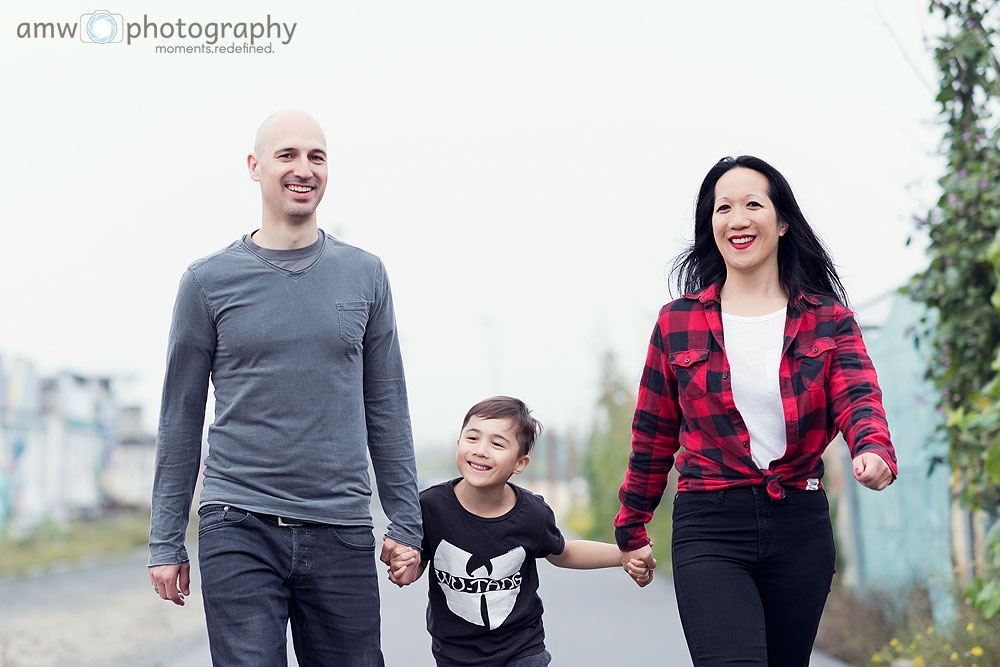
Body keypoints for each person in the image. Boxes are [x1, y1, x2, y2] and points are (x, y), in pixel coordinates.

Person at [147, 109, 423, 667]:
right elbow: (181, 414)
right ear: (255, 167)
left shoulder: (365, 274)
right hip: (237, 521)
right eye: (288, 155)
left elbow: (387, 405)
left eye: (316, 156)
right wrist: (166, 538)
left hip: (341, 524)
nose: (304, 169)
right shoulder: (207, 281)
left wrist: (406, 520)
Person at [614, 155, 897, 666]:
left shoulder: (828, 320)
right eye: (723, 207)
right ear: (712, 226)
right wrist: (632, 528)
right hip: (710, 524)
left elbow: (858, 395)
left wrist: (873, 448)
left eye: (752, 204)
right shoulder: (677, 322)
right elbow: (652, 435)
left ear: (782, 220)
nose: (737, 218)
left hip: (799, 524)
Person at [384, 396, 651, 667]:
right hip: (454, 654)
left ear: (519, 463)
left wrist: (623, 554)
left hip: (521, 650)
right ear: (458, 444)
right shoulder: (430, 507)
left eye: (497, 444)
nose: (481, 450)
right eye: (472, 438)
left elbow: (563, 553)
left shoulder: (532, 514)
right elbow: (418, 561)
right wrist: (404, 567)